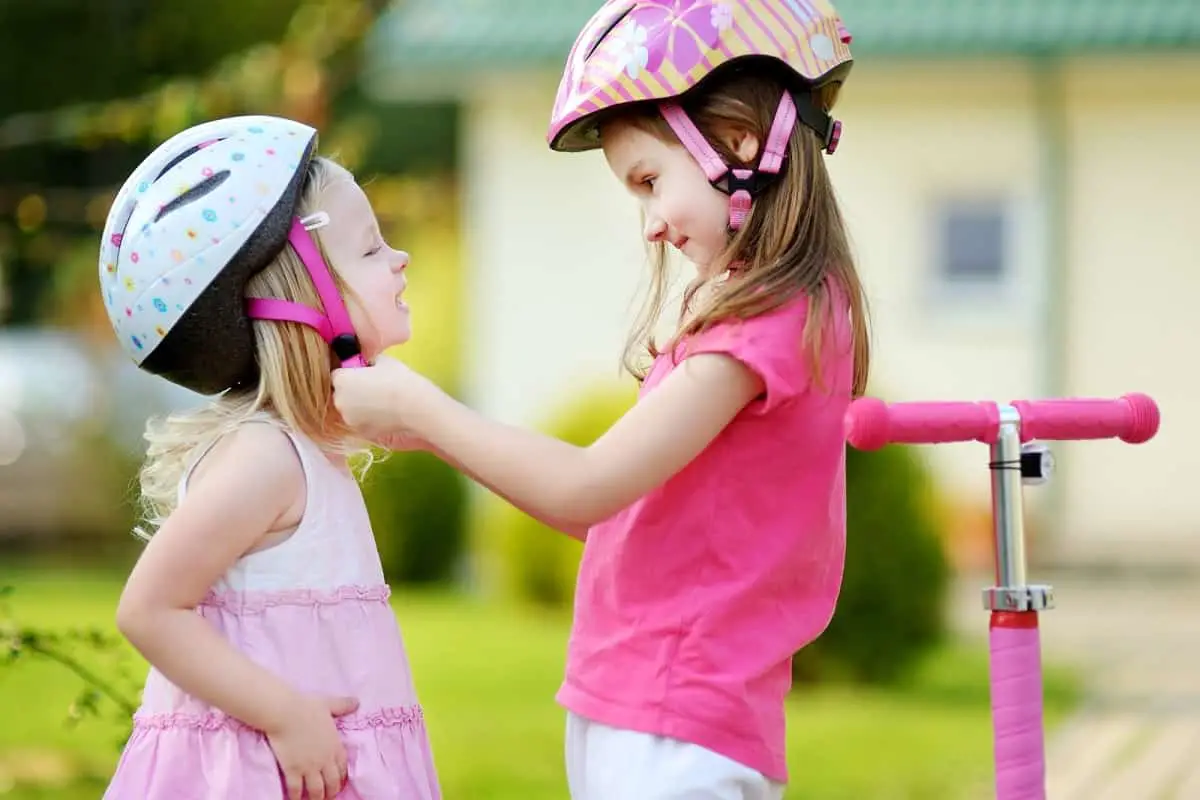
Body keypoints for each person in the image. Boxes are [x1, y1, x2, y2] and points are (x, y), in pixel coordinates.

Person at [332, 0, 869, 797]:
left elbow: (588, 493)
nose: (650, 223)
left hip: (677, 721)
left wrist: (421, 410)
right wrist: (434, 432)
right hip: (650, 710)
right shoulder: (772, 308)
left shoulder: (764, 319)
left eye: (651, 182)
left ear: (740, 145)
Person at [97, 115, 440, 800]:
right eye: (371, 250)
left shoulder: (306, 451)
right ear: (300, 298)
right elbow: (150, 607)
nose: (399, 258)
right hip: (255, 775)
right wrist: (284, 716)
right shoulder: (265, 458)